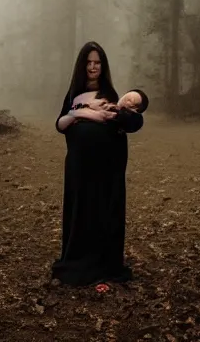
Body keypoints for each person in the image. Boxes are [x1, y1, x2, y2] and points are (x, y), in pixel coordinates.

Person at [52, 41, 144, 287]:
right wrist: (81, 112)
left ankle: (102, 261)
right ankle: (78, 259)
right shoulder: (73, 95)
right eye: (89, 62)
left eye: (97, 62)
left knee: (101, 211)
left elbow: (120, 124)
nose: (93, 67)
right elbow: (60, 124)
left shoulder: (109, 95)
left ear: (103, 66)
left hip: (104, 167)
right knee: (81, 210)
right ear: (82, 65)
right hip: (79, 166)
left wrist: (109, 113)